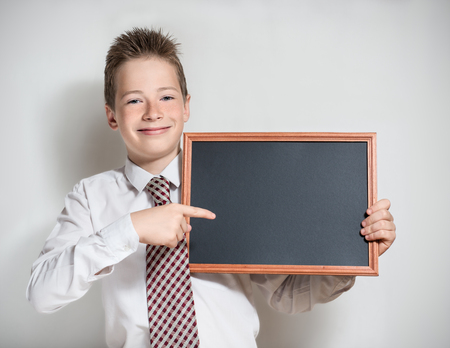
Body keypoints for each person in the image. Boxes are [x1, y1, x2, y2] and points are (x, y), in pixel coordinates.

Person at [26, 28, 396, 348]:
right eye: (134, 100)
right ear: (111, 115)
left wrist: (354, 252)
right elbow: (41, 294)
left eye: (166, 97)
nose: (153, 111)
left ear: (186, 106)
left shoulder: (237, 182)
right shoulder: (90, 197)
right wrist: (130, 228)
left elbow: (287, 296)